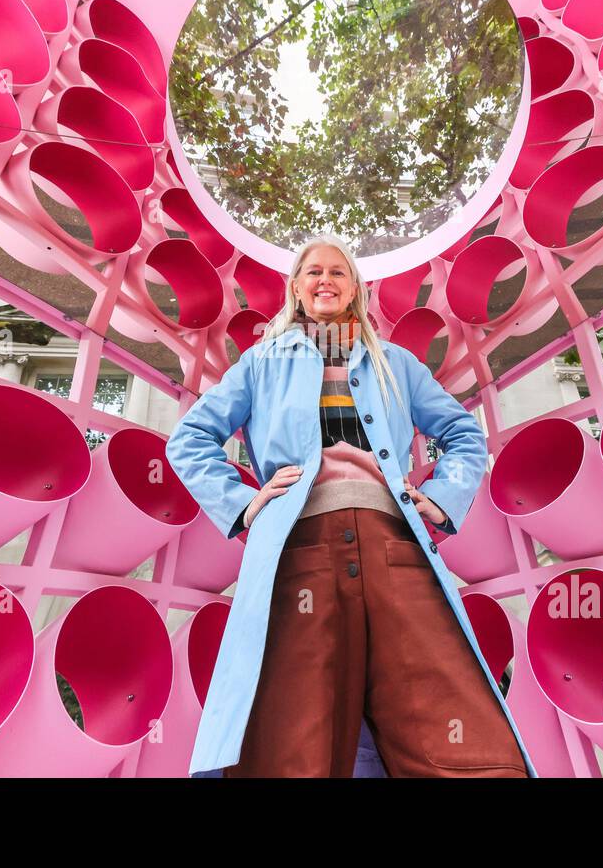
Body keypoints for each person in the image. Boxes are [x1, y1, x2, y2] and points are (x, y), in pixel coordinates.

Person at [165, 233, 537, 777]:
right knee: (295, 718)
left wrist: (438, 500)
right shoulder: (261, 362)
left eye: (338, 273)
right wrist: (244, 505)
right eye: (314, 271)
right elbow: (189, 439)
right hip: (300, 551)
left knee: (442, 701)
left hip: (395, 548)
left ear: (355, 289)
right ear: (295, 287)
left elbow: (463, 432)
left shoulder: (396, 362)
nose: (325, 281)